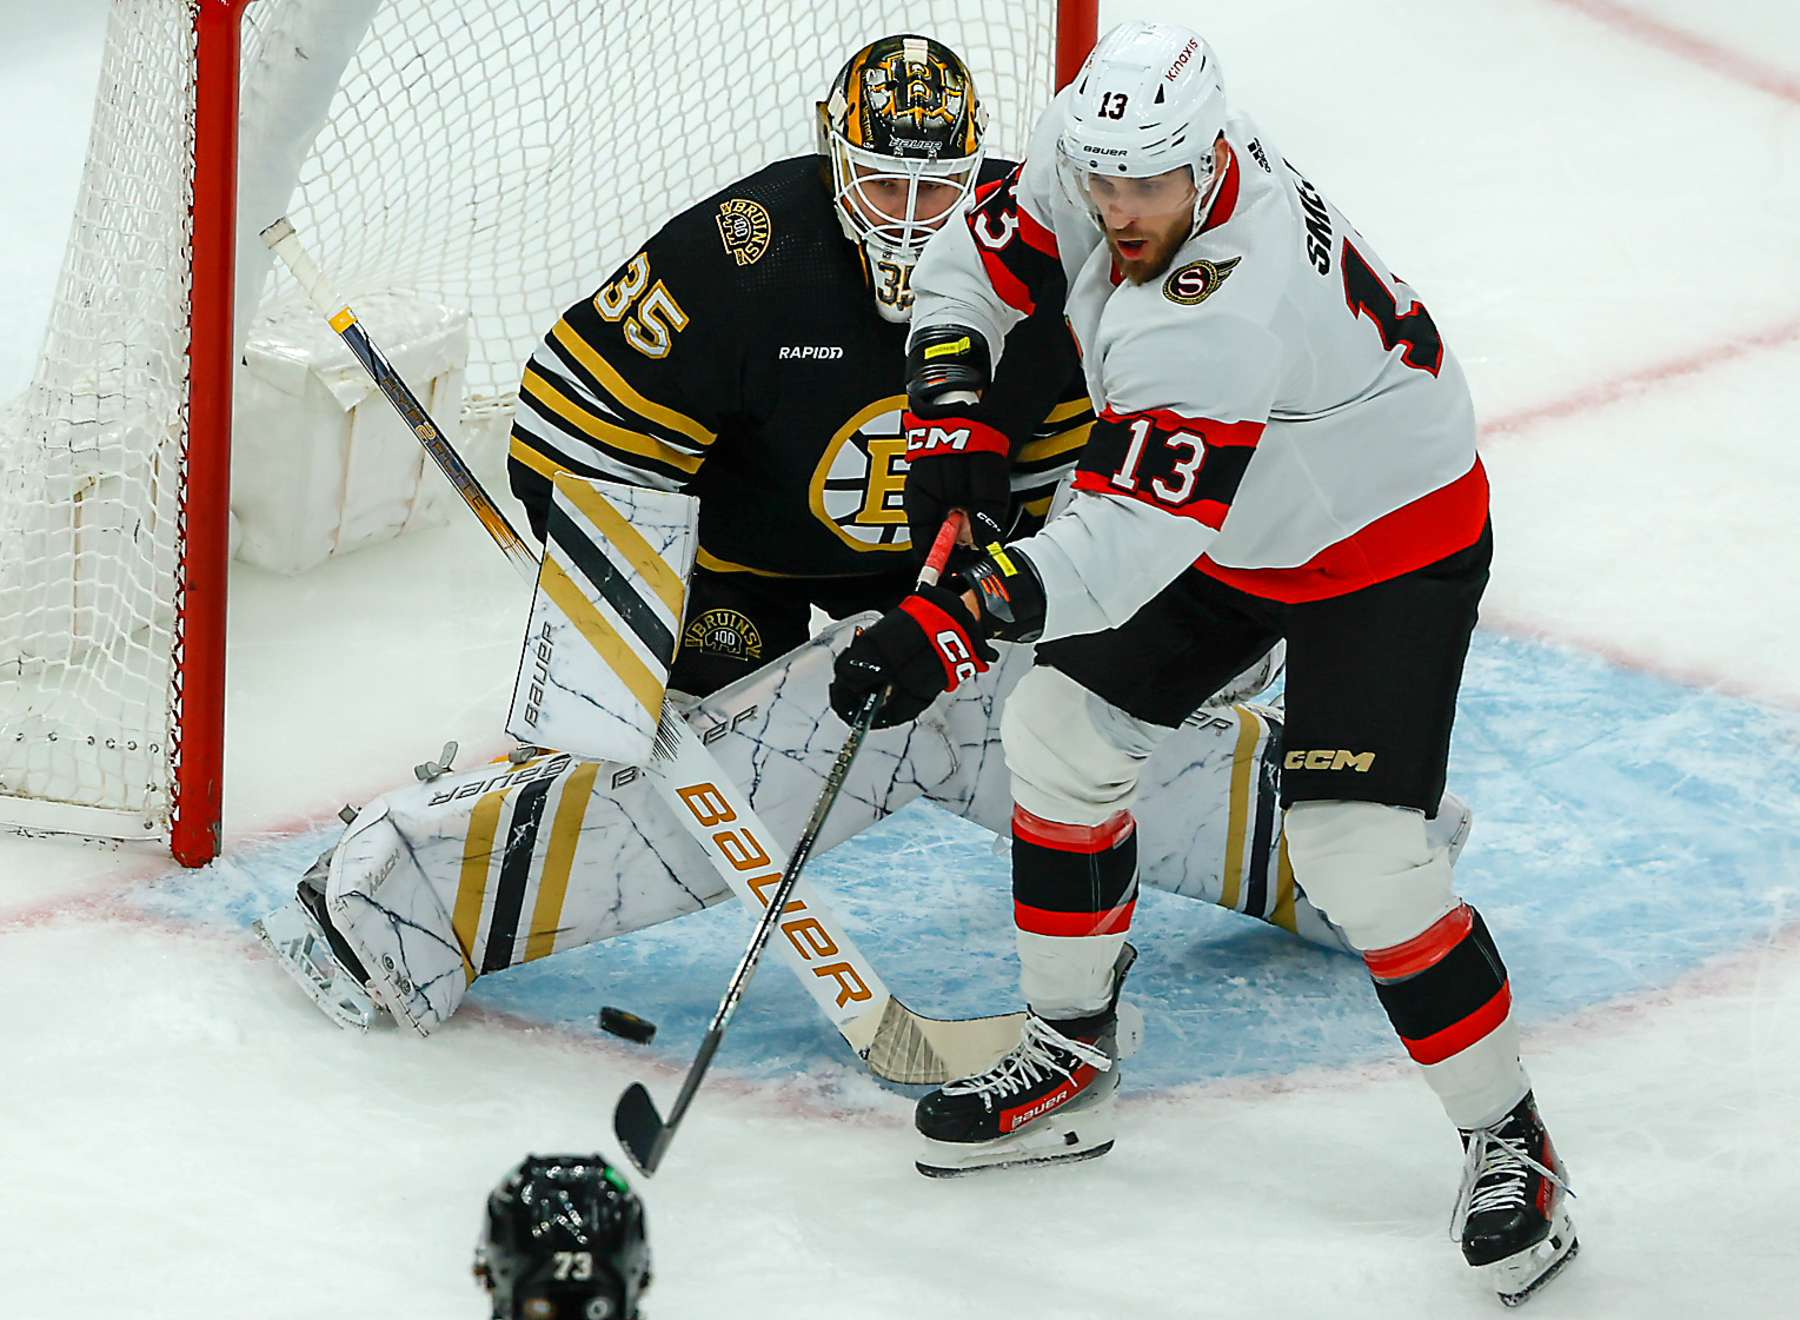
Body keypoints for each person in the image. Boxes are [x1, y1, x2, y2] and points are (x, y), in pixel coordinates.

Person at [255, 35, 1467, 1068]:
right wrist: (612, 628)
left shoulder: (1075, 265)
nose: (907, 219)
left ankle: (1310, 842)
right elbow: (581, 429)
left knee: (1024, 717)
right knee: (778, 741)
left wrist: (969, 619)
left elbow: (1097, 523)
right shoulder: (743, 255)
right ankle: (1305, 841)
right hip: (735, 595)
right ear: (835, 161)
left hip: (929, 595)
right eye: (879, 188)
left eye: (935, 192)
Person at [828, 20, 1574, 1305]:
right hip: (1236, 515)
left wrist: (949, 625)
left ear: (1211, 159)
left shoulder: (1224, 305)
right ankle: (1069, 1052)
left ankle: (1512, 1140)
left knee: (1361, 858)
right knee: (1058, 733)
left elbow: (1130, 541)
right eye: (1103, 181)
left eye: (1148, 189)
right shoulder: (1103, 148)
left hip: (1380, 540)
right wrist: (951, 412)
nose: (1119, 211)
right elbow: (975, 259)